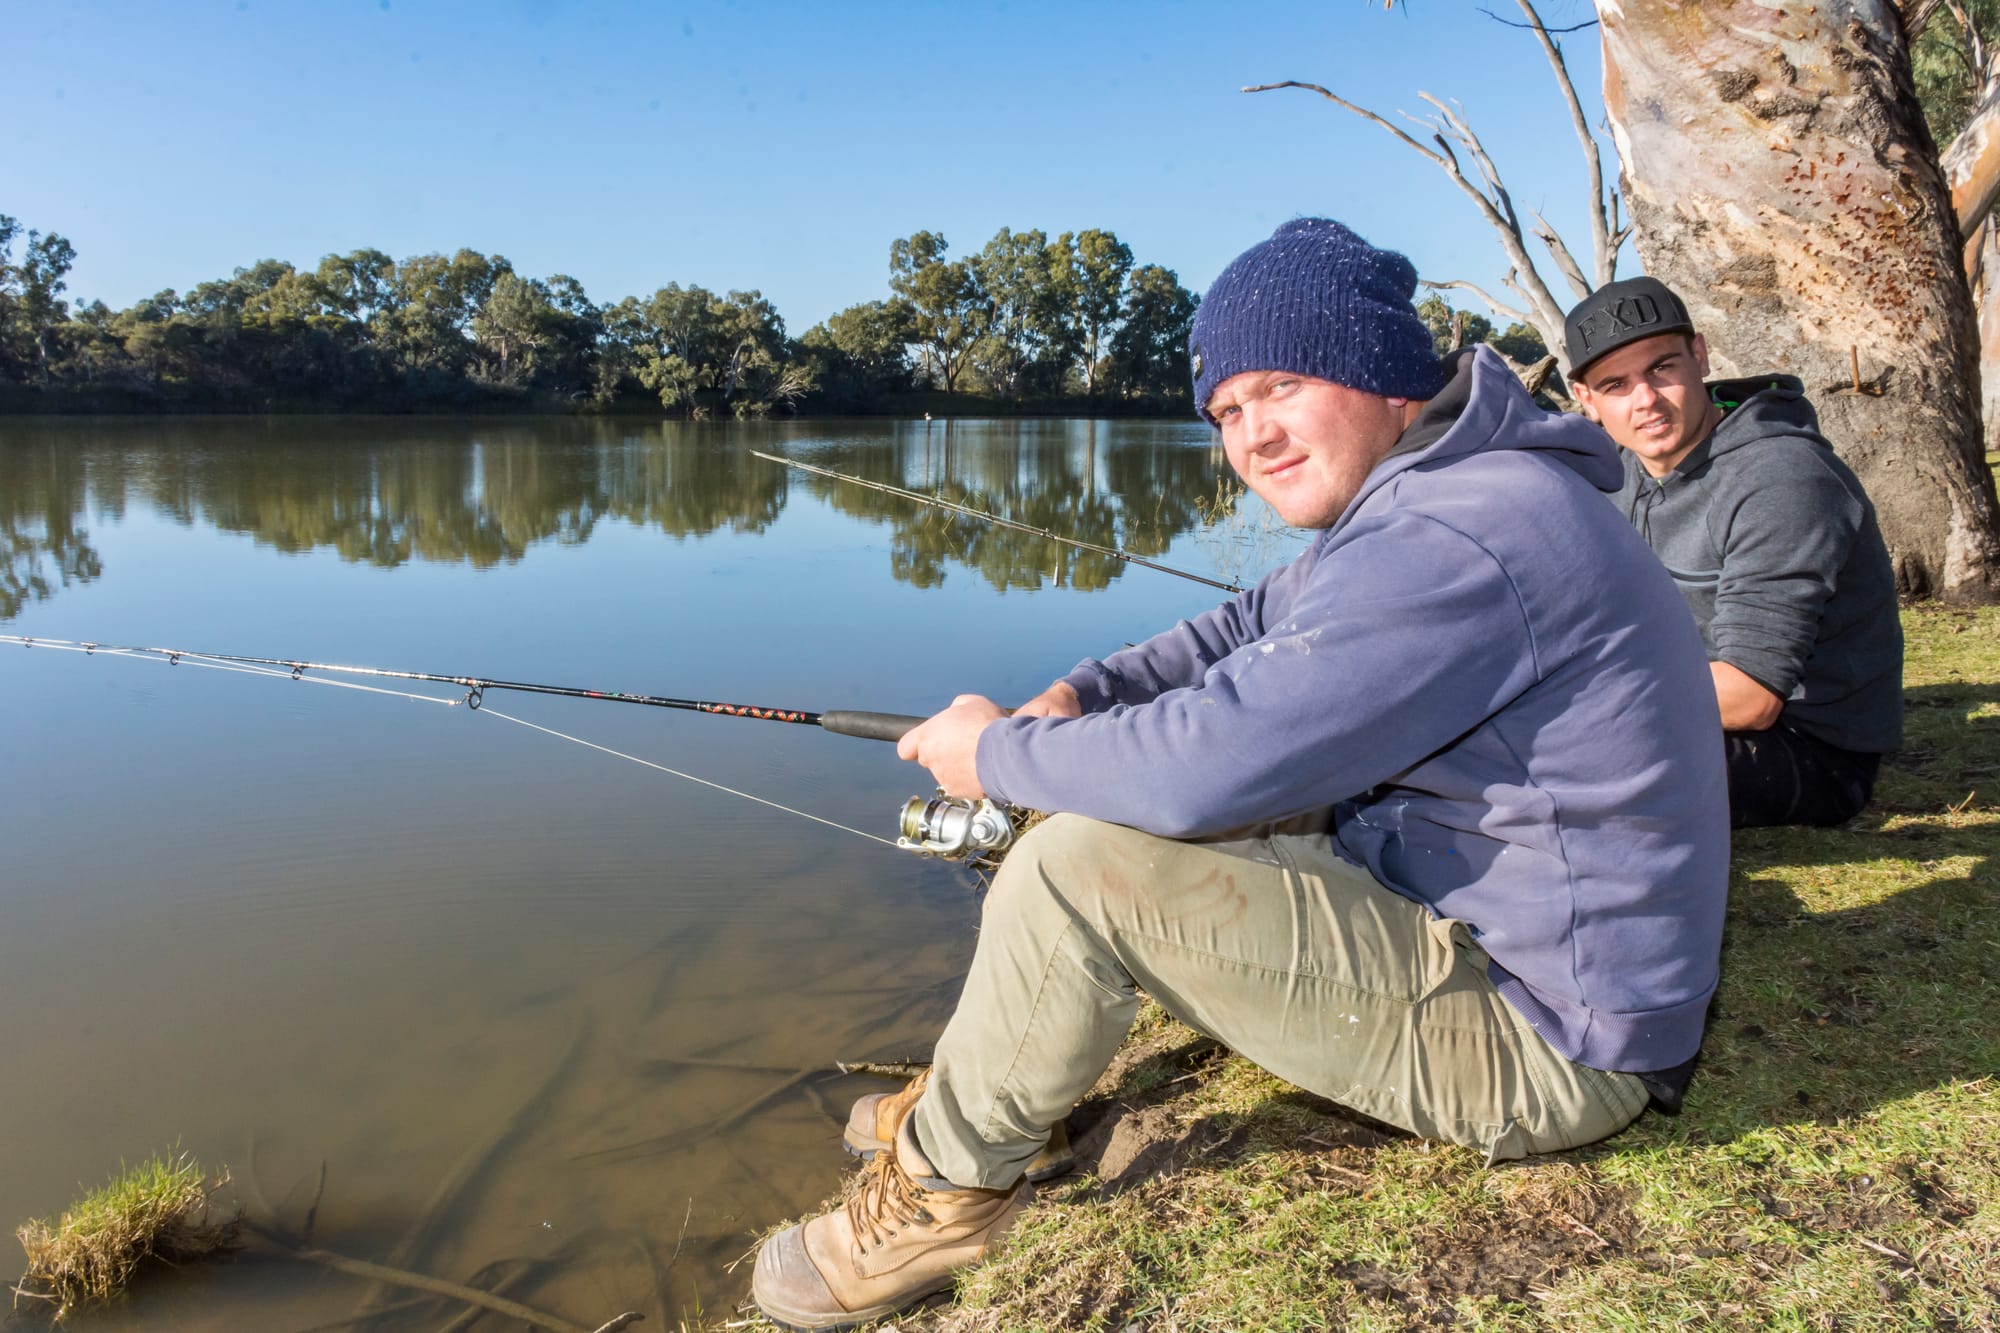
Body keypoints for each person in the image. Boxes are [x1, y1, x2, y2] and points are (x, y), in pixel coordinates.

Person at [750, 219, 1729, 1332]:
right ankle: (998, 1090)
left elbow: (1201, 769)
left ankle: (945, 1197)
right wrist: (1079, 692)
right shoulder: (1443, 488)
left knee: (1075, 861)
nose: (1250, 435)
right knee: (1096, 797)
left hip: (1554, 1042)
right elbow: (1244, 622)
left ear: (1383, 377)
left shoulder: (1463, 532)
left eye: (1279, 387)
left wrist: (995, 755)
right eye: (1224, 412)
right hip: (1503, 936)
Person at [1563, 277, 1904, 828]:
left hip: (1806, 747)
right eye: (1615, 384)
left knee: (1564, 753)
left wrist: (1571, 699)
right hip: (1688, 700)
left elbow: (1750, 697)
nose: (1645, 400)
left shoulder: (1781, 477)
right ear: (1587, 399)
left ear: (1699, 355)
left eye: (1661, 367)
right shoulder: (1618, 474)